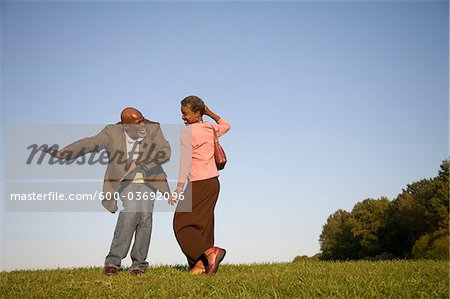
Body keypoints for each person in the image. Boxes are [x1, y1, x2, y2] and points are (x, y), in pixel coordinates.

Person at [42, 107, 171, 276]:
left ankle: (139, 264)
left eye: (142, 119)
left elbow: (165, 150)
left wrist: (145, 161)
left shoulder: (153, 128)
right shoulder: (112, 132)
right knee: (131, 211)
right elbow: (90, 143)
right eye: (138, 121)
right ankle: (113, 261)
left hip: (149, 179)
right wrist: (64, 153)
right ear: (126, 125)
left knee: (145, 217)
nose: (142, 123)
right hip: (125, 180)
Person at [170, 95, 230, 275]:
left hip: (198, 182)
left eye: (185, 114)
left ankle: (211, 254)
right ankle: (200, 265)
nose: (182, 117)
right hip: (213, 183)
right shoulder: (209, 128)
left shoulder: (186, 132)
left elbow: (185, 162)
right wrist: (209, 112)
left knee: (181, 224)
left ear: (197, 114)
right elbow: (226, 125)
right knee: (203, 224)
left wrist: (179, 188)